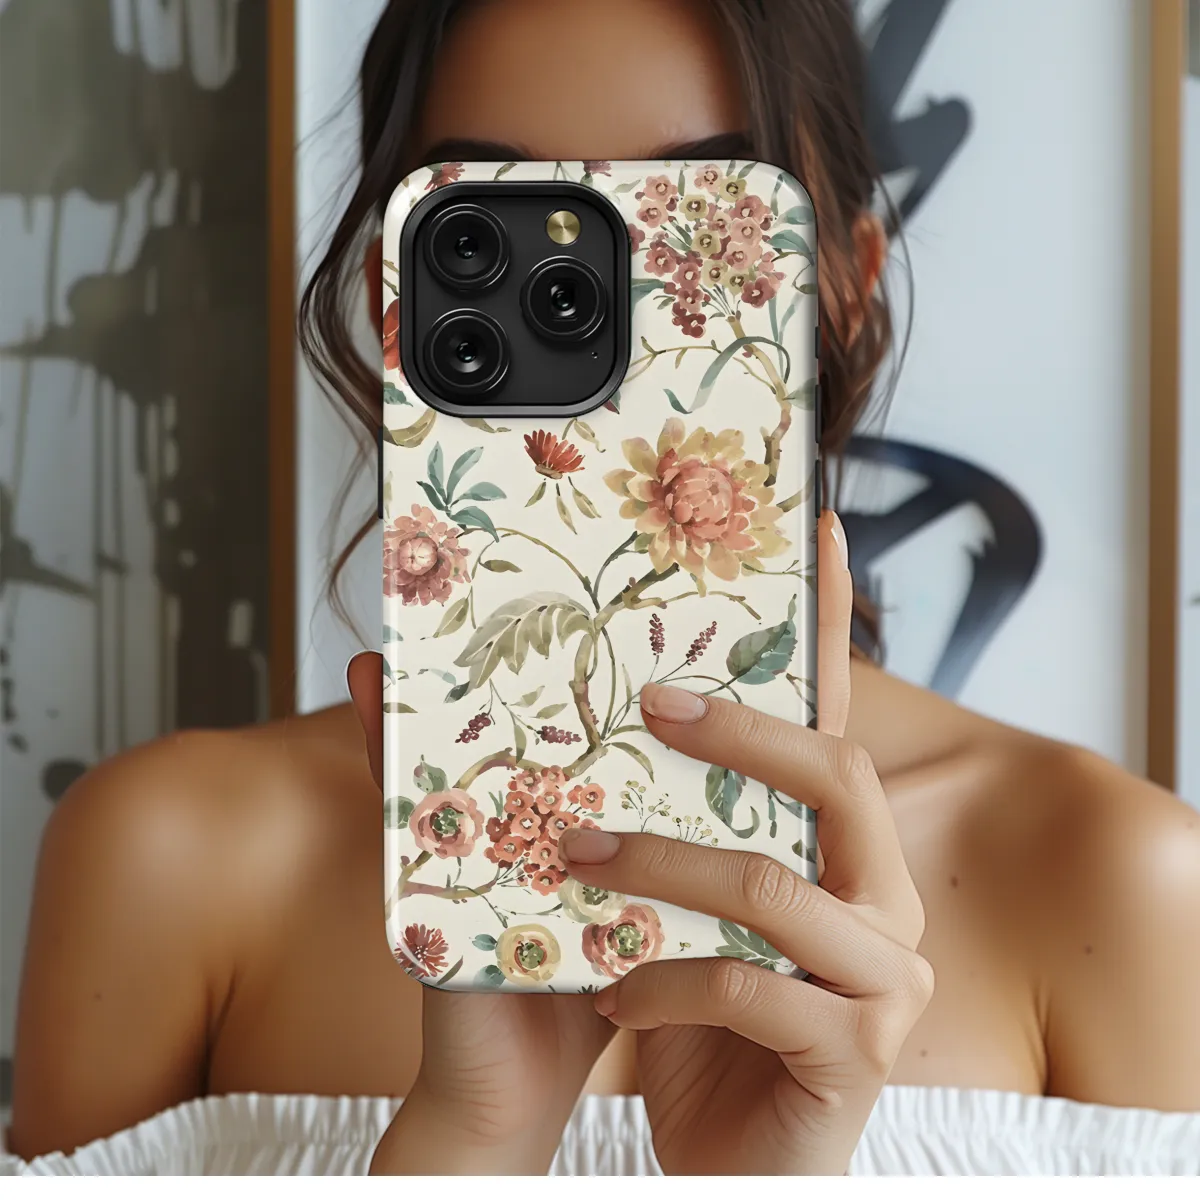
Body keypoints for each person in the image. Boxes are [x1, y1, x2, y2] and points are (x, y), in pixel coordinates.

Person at [7, 0, 1200, 1177]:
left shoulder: (1116, 882)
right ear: (393, 295)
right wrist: (475, 1141)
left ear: (844, 284)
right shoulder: (170, 861)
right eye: (490, 226)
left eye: (698, 212)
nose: (606, 301)